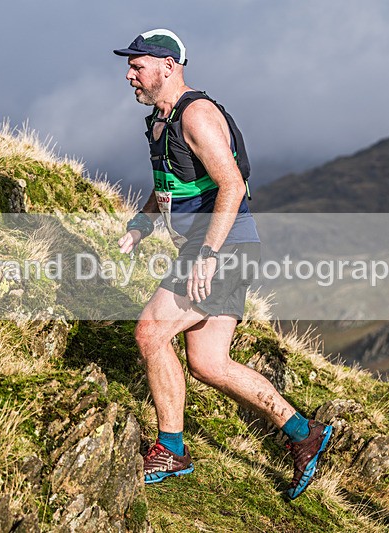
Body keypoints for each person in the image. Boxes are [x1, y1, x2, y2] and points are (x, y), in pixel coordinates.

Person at [113, 29, 331, 499]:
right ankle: (302, 433)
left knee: (151, 331)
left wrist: (208, 256)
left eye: (137, 65)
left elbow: (231, 185)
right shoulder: (160, 120)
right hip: (215, 249)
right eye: (129, 66)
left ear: (168, 66)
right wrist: (141, 224)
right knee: (210, 362)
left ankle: (171, 449)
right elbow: (171, 185)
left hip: (222, 249)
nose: (129, 74)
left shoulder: (197, 115)